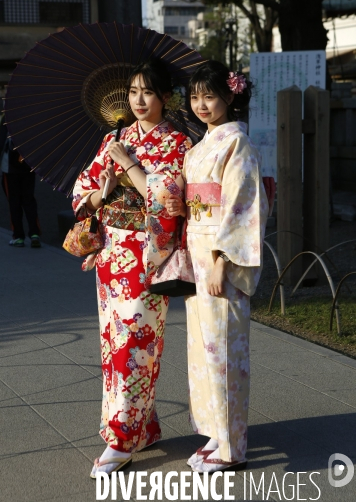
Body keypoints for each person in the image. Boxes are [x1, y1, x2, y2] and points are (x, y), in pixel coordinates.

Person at [72, 60, 192, 477]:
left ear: (165, 98)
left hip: (146, 256)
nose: (139, 101)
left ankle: (120, 440)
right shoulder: (114, 137)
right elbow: (82, 193)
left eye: (148, 92)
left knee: (134, 347)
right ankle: (143, 429)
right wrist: (98, 191)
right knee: (113, 348)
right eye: (134, 92)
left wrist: (128, 167)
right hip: (110, 256)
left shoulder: (178, 144)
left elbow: (168, 203)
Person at [166, 60, 269, 473]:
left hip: (220, 255)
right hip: (196, 247)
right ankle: (214, 431)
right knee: (202, 349)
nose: (201, 105)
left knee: (224, 348)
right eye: (194, 97)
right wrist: (180, 206)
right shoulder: (198, 148)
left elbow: (245, 206)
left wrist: (224, 262)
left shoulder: (237, 145)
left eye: (210, 96)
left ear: (231, 95)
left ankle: (232, 448)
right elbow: (196, 202)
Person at [0, 114, 41, 248]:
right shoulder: (31, 117)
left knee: (14, 202)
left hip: (10, 168)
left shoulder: (7, 116)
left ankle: (18, 236)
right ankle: (34, 233)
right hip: (29, 166)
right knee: (29, 200)